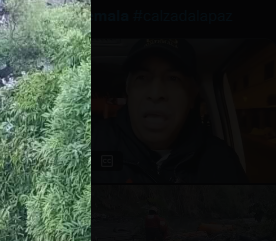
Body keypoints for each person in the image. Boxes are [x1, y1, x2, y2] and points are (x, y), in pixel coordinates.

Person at [92, 39, 248, 183]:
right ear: (128, 89)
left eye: (173, 78)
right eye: (142, 78)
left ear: (192, 95)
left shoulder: (222, 162)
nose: (155, 94)